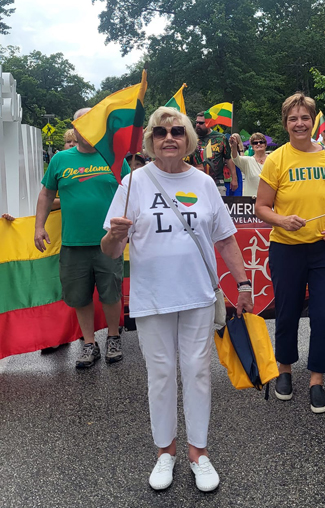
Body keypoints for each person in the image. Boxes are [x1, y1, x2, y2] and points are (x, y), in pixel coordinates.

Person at [101, 107, 253, 493]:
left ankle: (198, 453)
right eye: (161, 132)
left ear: (189, 140)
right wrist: (116, 236)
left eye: (177, 132)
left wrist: (243, 283)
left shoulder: (202, 183)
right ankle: (164, 453)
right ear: (150, 140)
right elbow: (109, 250)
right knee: (161, 374)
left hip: (198, 295)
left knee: (199, 373)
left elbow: (225, 239)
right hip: (152, 298)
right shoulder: (133, 183)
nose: (169, 137)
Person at [255, 93, 325, 413]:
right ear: (285, 123)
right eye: (293, 118)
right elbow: (262, 207)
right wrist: (282, 220)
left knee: (324, 315)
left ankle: (316, 379)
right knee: (286, 312)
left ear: (314, 121)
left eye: (305, 117)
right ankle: (284, 370)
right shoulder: (276, 159)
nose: (300, 123)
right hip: (287, 248)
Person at [34, 108, 130, 369]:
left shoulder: (115, 158)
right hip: (73, 243)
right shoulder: (60, 160)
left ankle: (112, 337)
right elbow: (45, 194)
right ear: (74, 127)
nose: (86, 128)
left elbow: (132, 193)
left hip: (108, 242)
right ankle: (89, 343)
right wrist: (38, 226)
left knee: (111, 293)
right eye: (80, 123)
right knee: (79, 296)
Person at [186, 112, 238, 196]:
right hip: (195, 182)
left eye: (201, 123)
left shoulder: (221, 138)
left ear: (209, 123)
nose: (198, 125)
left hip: (217, 183)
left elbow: (228, 158)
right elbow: (184, 161)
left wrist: (234, 179)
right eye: (197, 122)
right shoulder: (191, 139)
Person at [229, 132, 267, 196]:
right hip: (250, 201)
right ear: (252, 146)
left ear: (265, 144)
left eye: (261, 142)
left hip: (269, 200)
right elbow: (235, 158)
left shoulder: (272, 159)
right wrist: (234, 147)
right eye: (255, 143)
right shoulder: (247, 161)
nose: (258, 144)